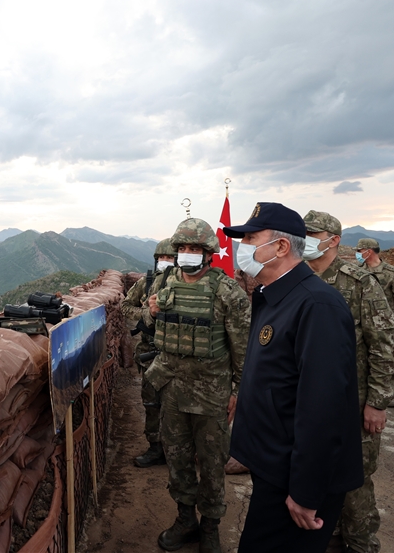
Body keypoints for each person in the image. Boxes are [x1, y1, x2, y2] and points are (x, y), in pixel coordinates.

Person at [224, 202, 363, 553]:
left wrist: (306, 491)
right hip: (273, 465)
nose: (244, 247)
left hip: (296, 479)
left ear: (282, 247)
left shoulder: (317, 305)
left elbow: (324, 407)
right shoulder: (271, 297)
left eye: (251, 238)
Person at [142, 218, 250, 553]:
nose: (188, 254)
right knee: (177, 460)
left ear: (208, 253)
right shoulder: (165, 282)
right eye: (183, 248)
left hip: (211, 393)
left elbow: (243, 349)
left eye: (195, 249)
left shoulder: (226, 291)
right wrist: (153, 310)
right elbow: (147, 323)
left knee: (213, 462)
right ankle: (185, 519)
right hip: (172, 388)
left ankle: (211, 527)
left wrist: (237, 392)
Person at [302, 210, 394, 553]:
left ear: (333, 240)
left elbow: (384, 345)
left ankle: (359, 542)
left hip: (354, 402)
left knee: (355, 480)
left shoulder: (358, 283)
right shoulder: (297, 280)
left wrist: (377, 402)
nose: (307, 240)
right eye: (304, 234)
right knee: (317, 472)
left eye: (313, 234)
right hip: (311, 402)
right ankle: (325, 532)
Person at [121, 238, 176, 468]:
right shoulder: (146, 282)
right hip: (150, 352)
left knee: (176, 405)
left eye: (170, 258)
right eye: (162, 258)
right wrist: (147, 315)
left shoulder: (187, 286)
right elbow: (125, 307)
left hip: (176, 354)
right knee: (152, 403)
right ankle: (156, 448)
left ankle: (177, 451)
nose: (165, 262)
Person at [356, 237, 394, 340]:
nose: (357, 253)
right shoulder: (357, 270)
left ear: (369, 251)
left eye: (359, 251)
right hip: (362, 325)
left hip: (385, 325)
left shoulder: (391, 272)